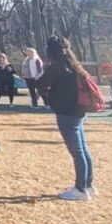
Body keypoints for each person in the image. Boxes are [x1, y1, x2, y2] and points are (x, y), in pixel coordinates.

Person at [38, 36, 96, 201]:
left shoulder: (56, 66)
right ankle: (88, 185)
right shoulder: (74, 64)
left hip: (66, 112)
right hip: (79, 111)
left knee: (77, 151)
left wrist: (49, 96)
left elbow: (41, 84)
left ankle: (80, 188)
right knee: (83, 149)